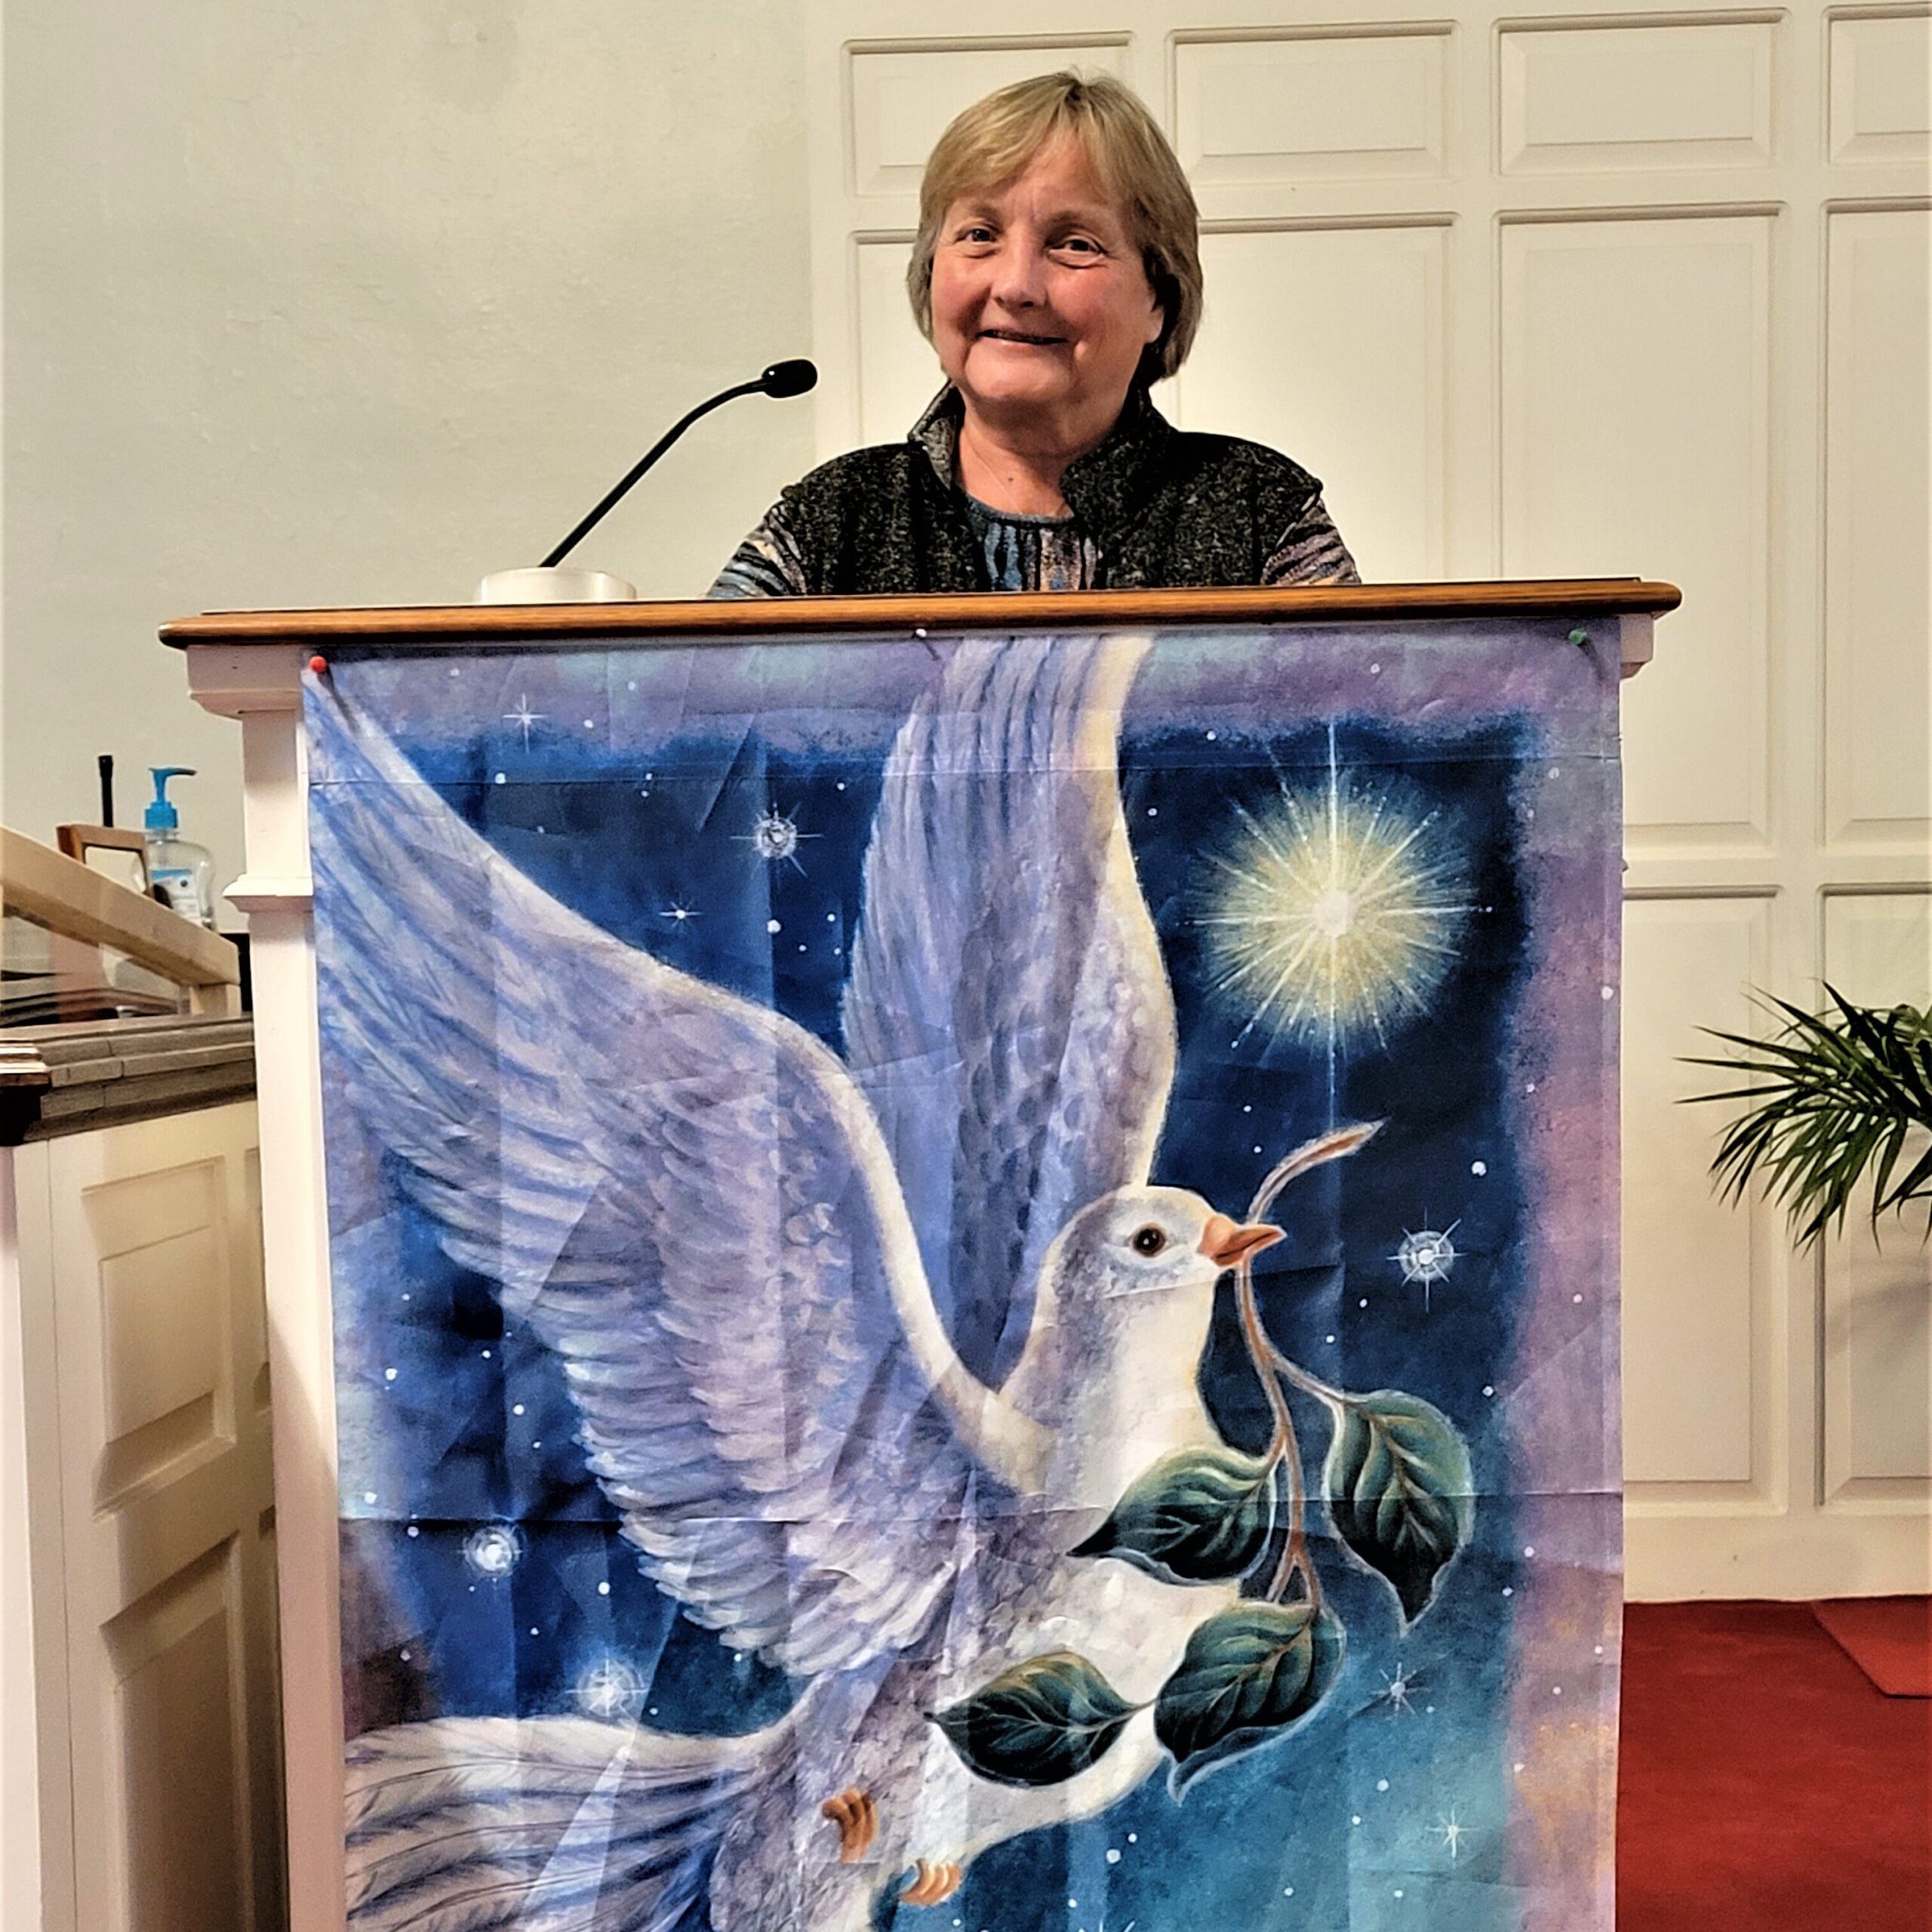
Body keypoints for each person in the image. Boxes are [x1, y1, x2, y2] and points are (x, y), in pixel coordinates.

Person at [711, 71, 1357, 598]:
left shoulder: (1259, 513)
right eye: (979, 235)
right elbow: (692, 725)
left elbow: (1366, 747)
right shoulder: (833, 519)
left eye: (1075, 244)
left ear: (1158, 299)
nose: (1016, 286)